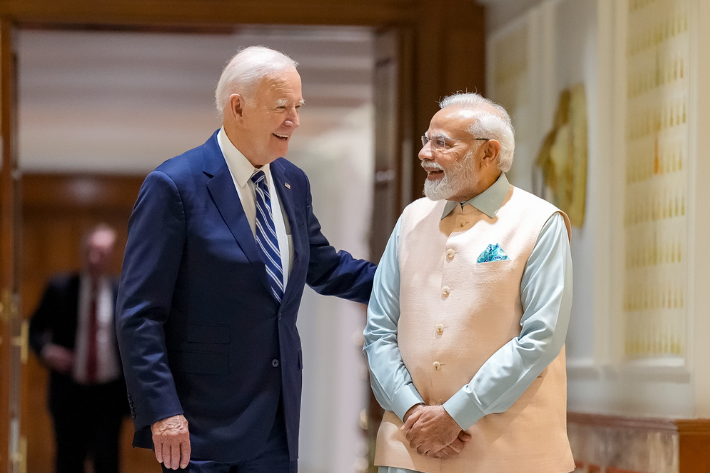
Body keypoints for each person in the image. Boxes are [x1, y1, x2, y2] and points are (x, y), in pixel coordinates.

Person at [115, 46, 376, 473]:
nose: (294, 119)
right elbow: (140, 314)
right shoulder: (174, 185)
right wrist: (162, 411)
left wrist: (412, 279)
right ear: (237, 107)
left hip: (276, 418)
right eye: (281, 107)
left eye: (298, 106)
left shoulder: (293, 181)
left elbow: (325, 267)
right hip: (199, 426)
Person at [363, 92, 575, 473]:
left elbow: (540, 339)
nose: (425, 153)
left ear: (489, 153)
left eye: (441, 143)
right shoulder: (410, 219)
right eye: (427, 140)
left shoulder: (541, 222)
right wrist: (414, 412)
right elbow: (379, 332)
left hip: (512, 456)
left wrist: (455, 416)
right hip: (409, 451)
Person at [29, 224, 126, 473]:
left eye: (102, 253)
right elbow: (35, 329)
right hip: (69, 395)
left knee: (108, 464)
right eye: (91, 251)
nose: (95, 259)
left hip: (109, 397)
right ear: (83, 252)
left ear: (112, 255)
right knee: (68, 463)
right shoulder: (61, 288)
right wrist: (47, 351)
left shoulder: (122, 292)